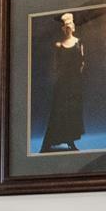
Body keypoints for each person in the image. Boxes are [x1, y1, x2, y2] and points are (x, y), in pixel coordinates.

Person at [39, 12, 88, 152]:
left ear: (73, 27)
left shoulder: (79, 43)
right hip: (62, 83)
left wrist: (77, 76)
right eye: (65, 27)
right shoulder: (58, 45)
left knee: (72, 111)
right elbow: (55, 65)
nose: (68, 29)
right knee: (60, 111)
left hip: (75, 82)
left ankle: (70, 140)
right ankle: (52, 141)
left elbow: (83, 62)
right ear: (63, 29)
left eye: (69, 26)